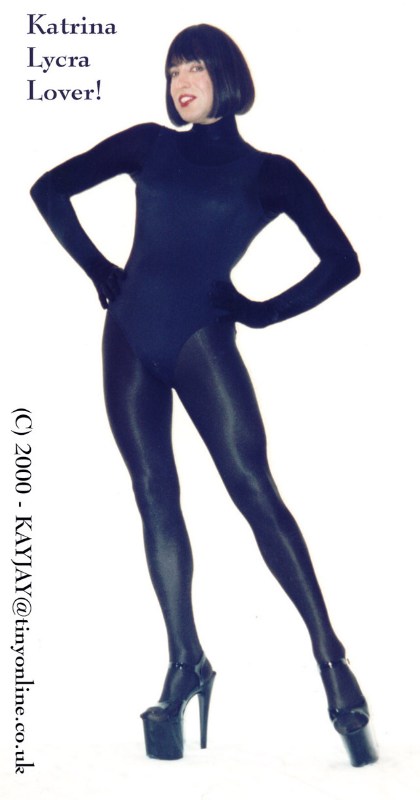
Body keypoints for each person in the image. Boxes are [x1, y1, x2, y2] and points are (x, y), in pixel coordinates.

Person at [30, 23, 377, 767]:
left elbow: (342, 261)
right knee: (154, 494)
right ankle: (185, 661)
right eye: (173, 70)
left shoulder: (270, 174)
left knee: (254, 491)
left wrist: (261, 311)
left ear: (226, 76)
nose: (181, 81)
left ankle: (332, 660)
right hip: (127, 338)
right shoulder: (148, 144)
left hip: (202, 343)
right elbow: (48, 188)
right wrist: (99, 271)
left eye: (194, 68)